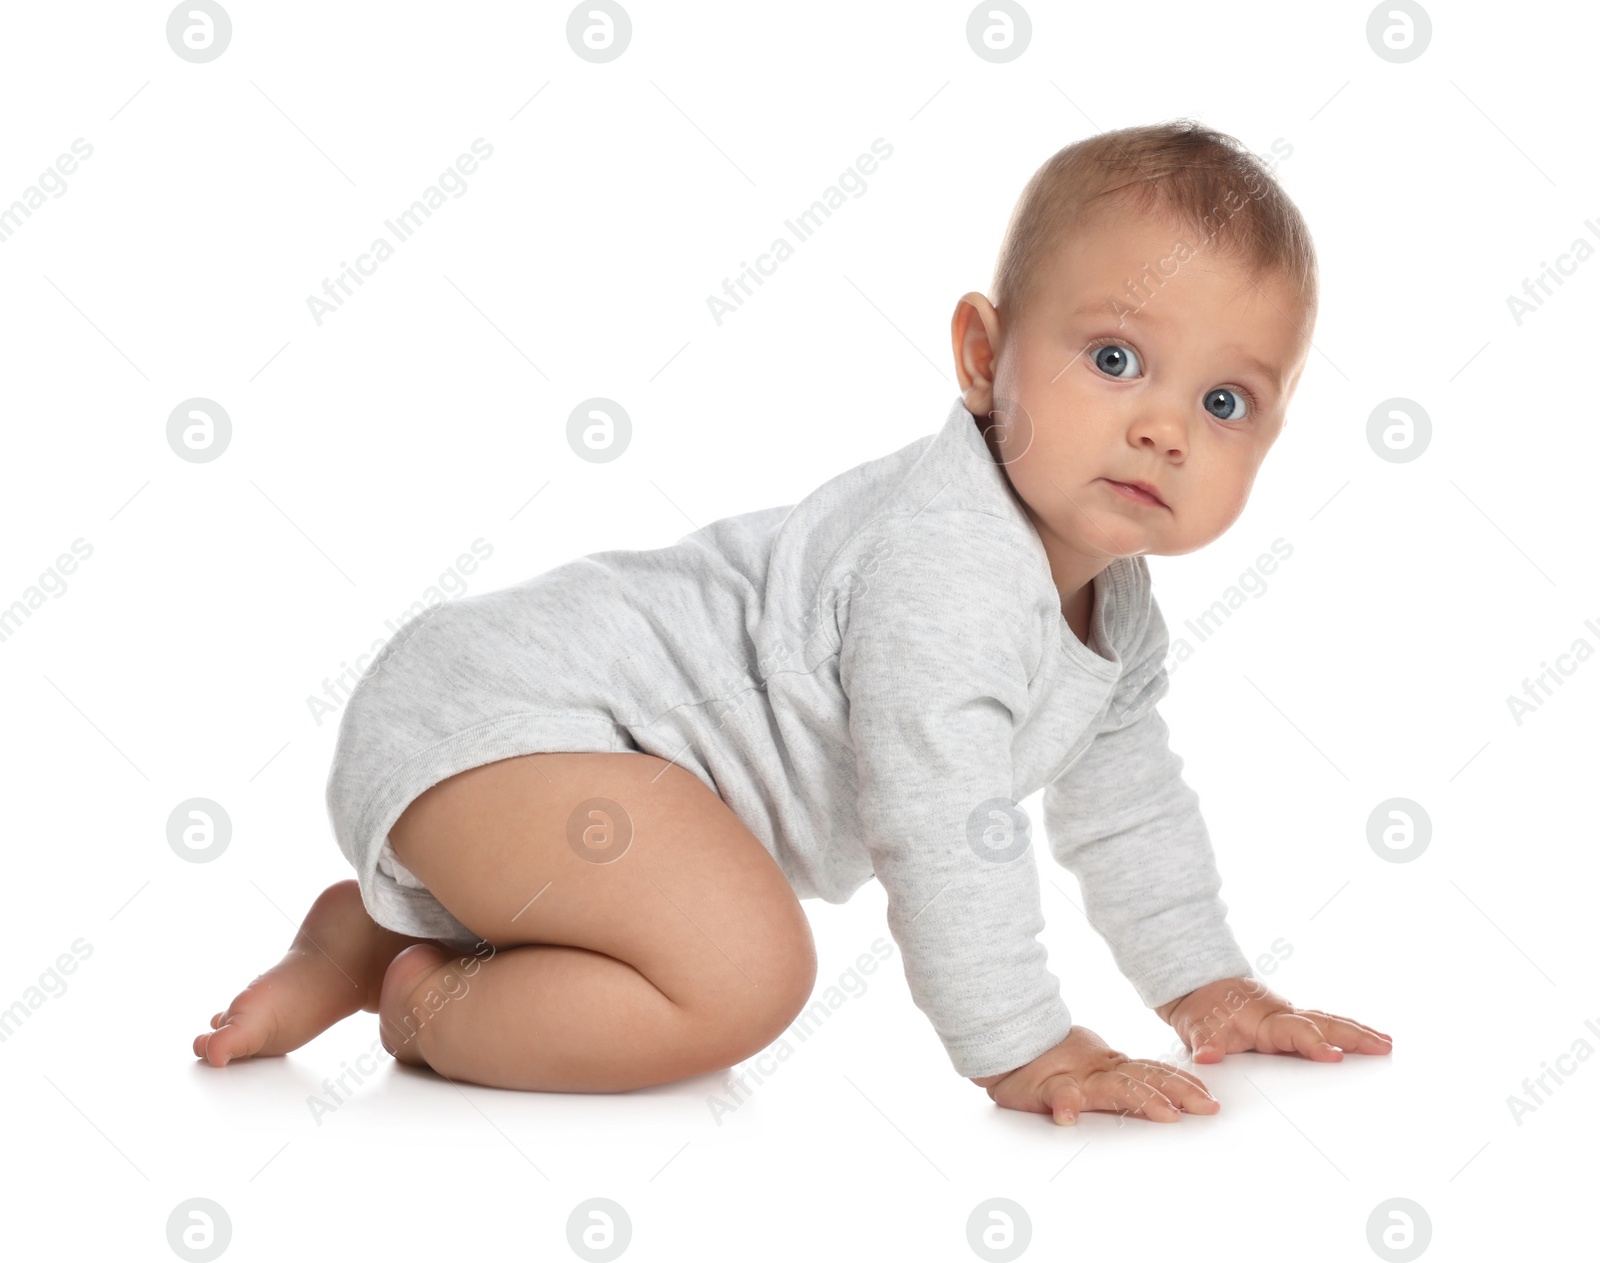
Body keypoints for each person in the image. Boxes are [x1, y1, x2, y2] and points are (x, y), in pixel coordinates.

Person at [194, 119, 1391, 1125]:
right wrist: (1023, 1046)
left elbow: (1129, 814)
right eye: (1116, 355)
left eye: (1225, 400)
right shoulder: (950, 566)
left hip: (543, 780)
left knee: (703, 928)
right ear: (986, 357)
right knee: (741, 977)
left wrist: (1208, 988)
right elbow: (940, 825)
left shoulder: (1113, 619)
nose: (1165, 428)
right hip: (513, 719)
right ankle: (430, 1001)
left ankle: (368, 936)